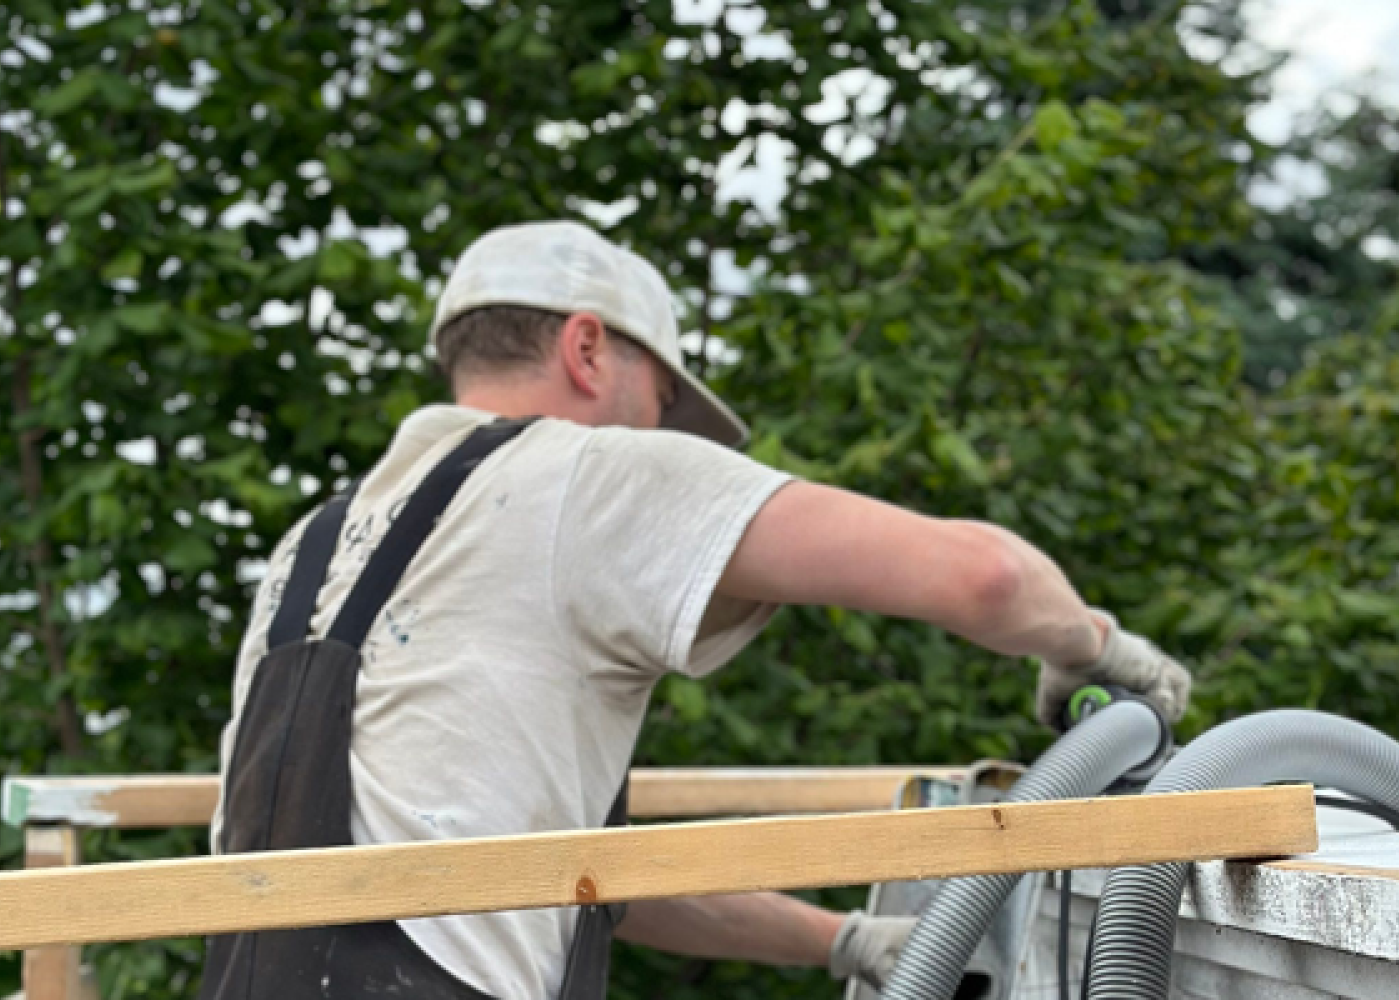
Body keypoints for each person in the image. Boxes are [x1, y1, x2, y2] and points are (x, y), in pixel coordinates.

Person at [205, 220, 1190, 1000]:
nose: (662, 432)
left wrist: (847, 941)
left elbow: (578, 880)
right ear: (586, 348)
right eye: (663, 398)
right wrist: (1093, 648)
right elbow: (986, 579)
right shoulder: (577, 475)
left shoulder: (318, 545)